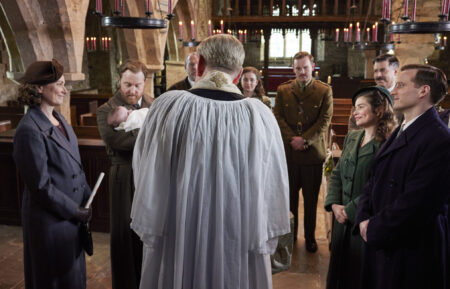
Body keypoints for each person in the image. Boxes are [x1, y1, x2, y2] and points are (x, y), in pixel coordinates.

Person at [131, 34, 290, 289]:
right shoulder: (259, 116)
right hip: (239, 228)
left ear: (201, 64)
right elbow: (273, 185)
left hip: (179, 226)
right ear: (238, 74)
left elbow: (145, 169)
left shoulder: (168, 107)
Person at [355, 64, 450, 289]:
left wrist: (374, 227)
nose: (393, 91)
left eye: (401, 85)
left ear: (423, 91)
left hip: (411, 247)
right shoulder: (402, 128)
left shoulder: (439, 139)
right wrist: (363, 217)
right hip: (385, 238)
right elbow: (374, 177)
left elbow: (417, 203)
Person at [13, 59, 92, 289]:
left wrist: (87, 197)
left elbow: (75, 165)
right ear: (39, 87)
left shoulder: (60, 119)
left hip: (71, 218)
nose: (65, 89)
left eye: (64, 83)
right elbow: (40, 187)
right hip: (50, 222)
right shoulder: (29, 130)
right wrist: (74, 210)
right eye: (59, 84)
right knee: (53, 281)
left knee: (73, 279)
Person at [324, 86, 397, 289]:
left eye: (361, 107)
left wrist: (349, 210)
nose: (355, 112)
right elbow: (337, 173)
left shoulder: (388, 145)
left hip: (364, 220)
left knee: (358, 276)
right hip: (341, 220)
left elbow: (379, 185)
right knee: (338, 274)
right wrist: (334, 204)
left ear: (379, 110)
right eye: (354, 107)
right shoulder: (352, 137)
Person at [96, 59, 153, 289]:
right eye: (128, 84)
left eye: (137, 85)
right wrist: (149, 135)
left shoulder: (154, 104)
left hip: (149, 175)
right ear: (119, 80)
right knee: (125, 233)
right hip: (124, 174)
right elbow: (116, 141)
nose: (132, 91)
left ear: (145, 83)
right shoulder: (106, 110)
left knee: (148, 233)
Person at [274, 51, 333, 252]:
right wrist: (292, 139)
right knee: (289, 200)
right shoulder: (283, 90)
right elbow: (279, 117)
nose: (302, 72)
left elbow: (324, 121)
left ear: (313, 67)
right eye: (298, 68)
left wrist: (305, 139)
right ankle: (290, 237)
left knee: (310, 200)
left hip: (312, 155)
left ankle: (310, 237)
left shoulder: (324, 90)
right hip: (289, 155)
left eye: (305, 67)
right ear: (293, 69)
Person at [349, 54, 400, 130]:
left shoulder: (402, 96)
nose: (378, 75)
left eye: (383, 70)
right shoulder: (364, 95)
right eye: (376, 71)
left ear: (395, 72)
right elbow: (354, 126)